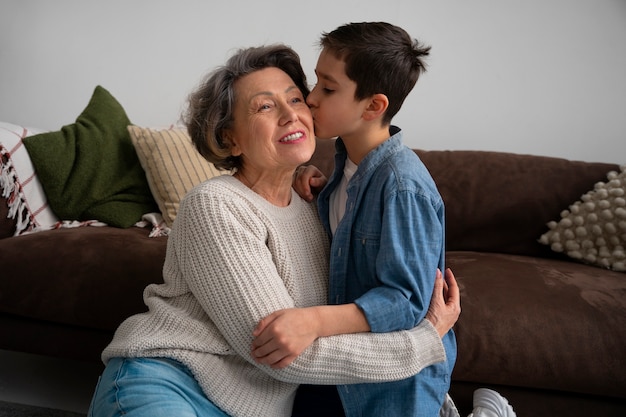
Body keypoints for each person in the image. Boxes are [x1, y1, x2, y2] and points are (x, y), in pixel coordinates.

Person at [87, 44, 461, 417]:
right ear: (230, 138)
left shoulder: (321, 206)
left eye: (296, 99)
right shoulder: (215, 205)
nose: (290, 115)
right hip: (174, 385)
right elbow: (282, 354)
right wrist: (425, 342)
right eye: (264, 106)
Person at [265, 22, 515, 417]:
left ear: (373, 106)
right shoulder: (344, 167)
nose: (310, 99)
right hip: (342, 364)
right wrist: (300, 181)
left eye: (328, 89)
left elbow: (405, 302)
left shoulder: (402, 186)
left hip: (396, 380)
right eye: (316, 82)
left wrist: (310, 321)